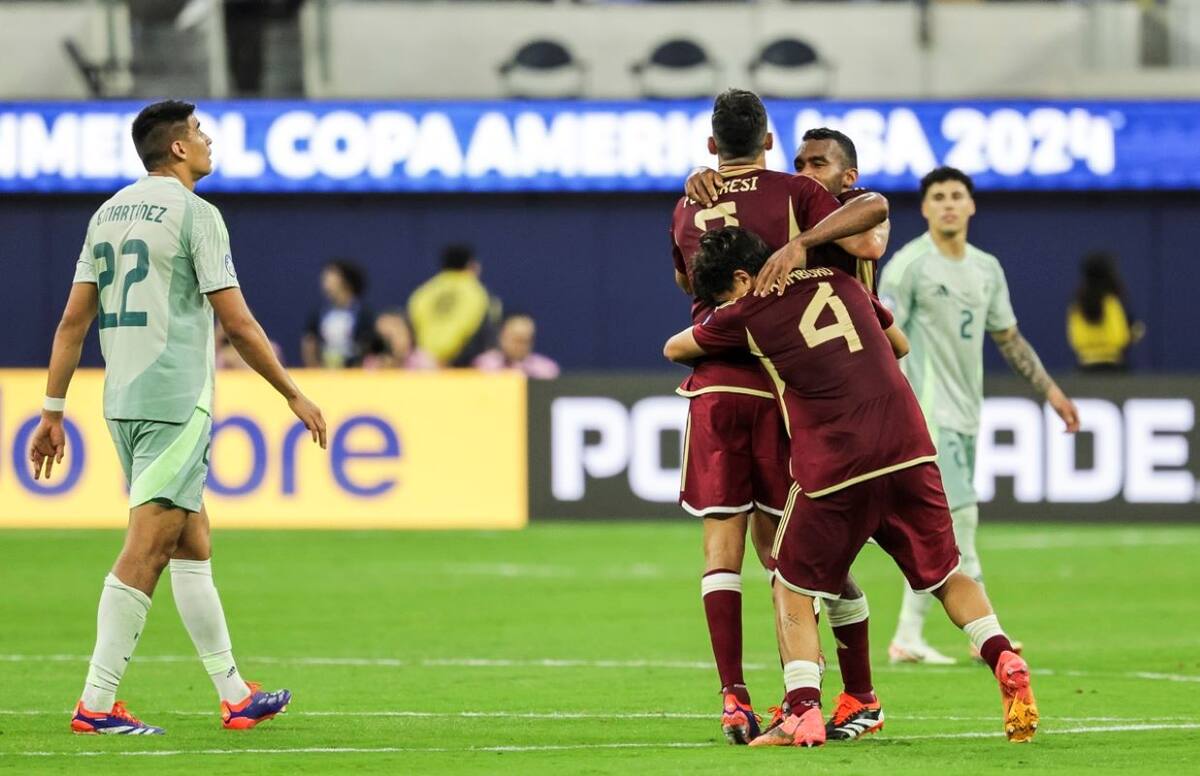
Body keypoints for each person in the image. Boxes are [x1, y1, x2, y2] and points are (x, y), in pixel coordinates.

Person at [664, 226, 1038, 748]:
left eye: (726, 292)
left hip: (837, 461)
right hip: (910, 448)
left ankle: (802, 711)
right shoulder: (842, 281)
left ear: (745, 278)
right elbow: (900, 344)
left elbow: (674, 347)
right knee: (946, 574)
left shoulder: (747, 312)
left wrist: (731, 318)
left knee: (791, 585)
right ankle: (1001, 652)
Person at [27, 100, 327, 735]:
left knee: (192, 540)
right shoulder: (197, 214)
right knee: (148, 548)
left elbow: (71, 324)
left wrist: (52, 411)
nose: (208, 138)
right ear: (179, 150)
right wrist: (293, 394)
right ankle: (97, 704)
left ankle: (235, 693)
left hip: (121, 403)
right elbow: (238, 323)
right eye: (198, 131)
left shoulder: (106, 214)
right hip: (174, 401)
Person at [669, 89, 890, 744]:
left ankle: (737, 696)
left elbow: (690, 284)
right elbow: (869, 222)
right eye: (801, 159)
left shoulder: (690, 203)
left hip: (717, 380)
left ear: (713, 146)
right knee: (803, 552)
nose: (809, 169)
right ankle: (848, 694)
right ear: (768, 144)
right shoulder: (797, 195)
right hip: (790, 385)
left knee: (733, 550)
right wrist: (795, 243)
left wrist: (703, 196)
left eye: (819, 163)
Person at [878, 167, 1080, 665]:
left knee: (942, 526)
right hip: (927, 414)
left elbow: (1008, 337)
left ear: (971, 206)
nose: (948, 204)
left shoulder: (986, 269)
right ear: (924, 208)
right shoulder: (908, 266)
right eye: (939, 196)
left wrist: (1051, 391)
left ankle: (908, 636)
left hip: (968, 414)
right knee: (960, 519)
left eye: (957, 196)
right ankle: (988, 636)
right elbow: (879, 337)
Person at [686, 126, 890, 292]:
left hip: (857, 329)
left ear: (849, 177)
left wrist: (801, 242)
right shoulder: (795, 203)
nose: (805, 174)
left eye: (818, 165)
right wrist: (700, 171)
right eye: (799, 166)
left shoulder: (857, 204)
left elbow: (870, 243)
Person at [407, 244, 502, 367]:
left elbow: (411, 330)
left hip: (425, 366)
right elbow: (484, 336)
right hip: (464, 370)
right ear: (471, 265)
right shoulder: (480, 294)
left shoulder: (422, 294)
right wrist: (451, 364)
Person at [1067, 251, 1144, 372]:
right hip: (1114, 368)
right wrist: (1133, 333)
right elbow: (1122, 336)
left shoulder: (1077, 305)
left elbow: (1074, 337)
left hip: (1084, 367)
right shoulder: (1113, 303)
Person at [301, 260, 378, 368]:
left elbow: (370, 347)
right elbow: (309, 343)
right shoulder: (318, 314)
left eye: (329, 277)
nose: (324, 282)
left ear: (345, 280)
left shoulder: (365, 315)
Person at [473, 313, 560, 379]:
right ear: (502, 337)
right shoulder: (484, 364)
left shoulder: (546, 369)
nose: (520, 346)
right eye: (516, 339)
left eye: (526, 340)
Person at [364, 309, 437, 370]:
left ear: (409, 335)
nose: (389, 343)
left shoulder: (424, 362)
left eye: (396, 333)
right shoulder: (370, 363)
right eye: (384, 336)